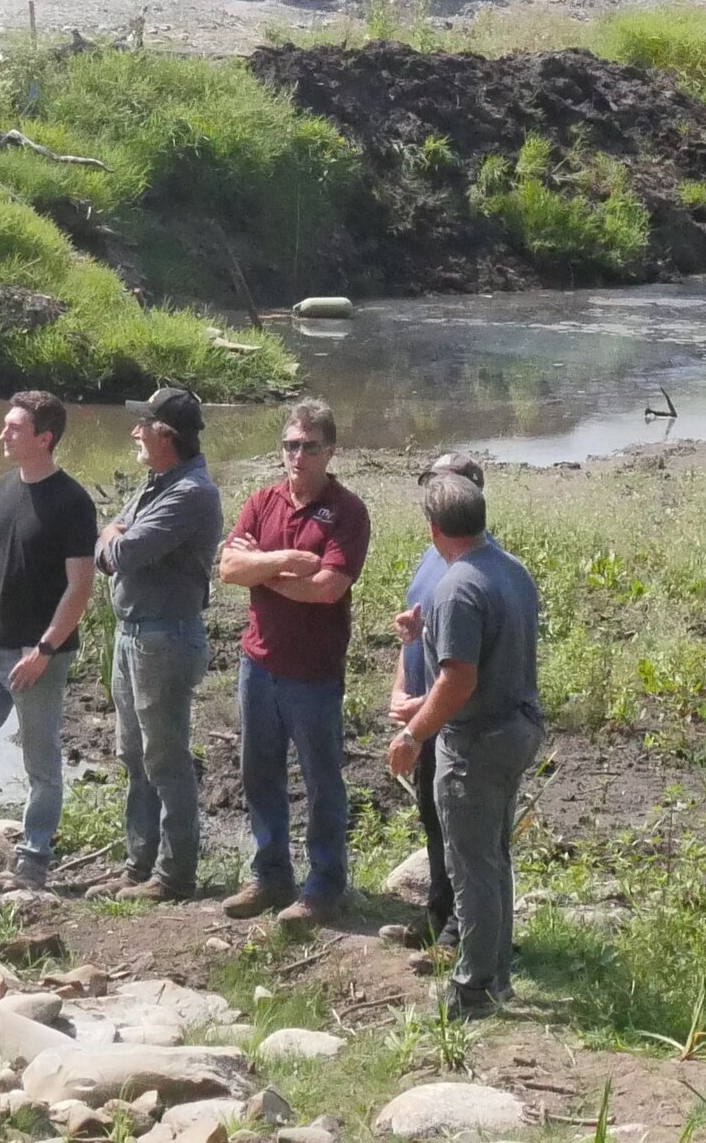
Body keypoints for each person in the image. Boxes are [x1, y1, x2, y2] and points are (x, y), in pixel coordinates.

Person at [387, 464, 541, 1018]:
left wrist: (411, 733)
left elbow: (459, 680)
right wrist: (424, 630)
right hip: (518, 728)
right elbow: (491, 639)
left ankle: (473, 988)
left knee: (471, 864)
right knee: (494, 857)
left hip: (476, 741)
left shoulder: (455, 585)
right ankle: (497, 976)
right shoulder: (510, 569)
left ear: (434, 528)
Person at [214, 398, 371, 924]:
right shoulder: (263, 501)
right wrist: (280, 562)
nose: (296, 456)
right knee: (259, 773)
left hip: (314, 670)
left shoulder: (347, 512)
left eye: (307, 447)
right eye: (289, 445)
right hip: (257, 663)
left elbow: (328, 588)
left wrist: (261, 572)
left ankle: (324, 886)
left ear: (330, 451)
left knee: (322, 780)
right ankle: (270, 876)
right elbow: (229, 569)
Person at [0, 390, 96, 895]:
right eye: (5, 425)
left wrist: (46, 651)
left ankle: (33, 861)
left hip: (38, 656)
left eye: (14, 428)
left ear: (44, 439)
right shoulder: (5, 487)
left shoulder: (73, 502)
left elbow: (80, 586)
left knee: (41, 763)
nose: (3, 433)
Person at [97, 386, 225, 898]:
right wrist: (113, 535)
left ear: (166, 435)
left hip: (164, 638)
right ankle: (138, 865)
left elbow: (122, 550)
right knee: (133, 754)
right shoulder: (159, 482)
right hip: (136, 635)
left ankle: (174, 875)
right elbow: (112, 536)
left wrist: (114, 536)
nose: (135, 432)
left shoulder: (191, 494)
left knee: (165, 757)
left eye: (143, 425)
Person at [379, 453, 481, 952]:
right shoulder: (430, 557)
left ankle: (463, 933)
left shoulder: (474, 571)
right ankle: (439, 914)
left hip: (458, 722)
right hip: (425, 715)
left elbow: (469, 669)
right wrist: (402, 689)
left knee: (465, 832)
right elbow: (417, 633)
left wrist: (420, 712)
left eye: (442, 486)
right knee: (434, 819)